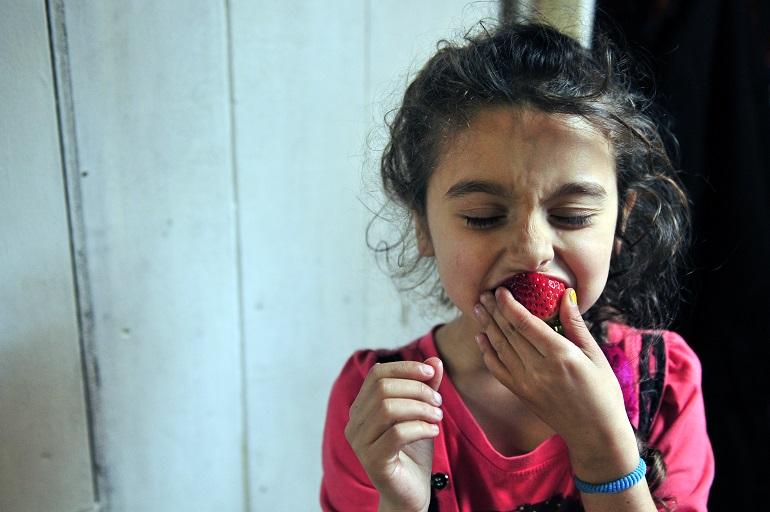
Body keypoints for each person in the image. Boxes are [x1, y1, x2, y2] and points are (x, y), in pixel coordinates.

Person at [320, 21, 714, 512]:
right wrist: (400, 502)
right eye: (482, 217)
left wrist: (603, 450)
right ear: (423, 225)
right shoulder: (380, 409)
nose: (531, 251)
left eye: (572, 216)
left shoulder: (664, 384)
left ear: (619, 224)